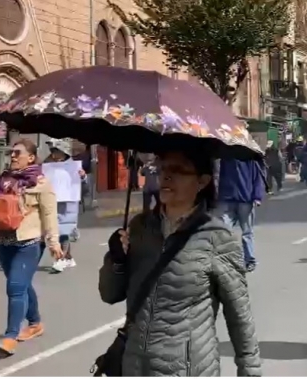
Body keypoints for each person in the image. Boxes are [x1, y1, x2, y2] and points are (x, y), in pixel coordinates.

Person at [98, 150, 261, 376]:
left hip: (187, 368)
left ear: (202, 181)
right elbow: (109, 294)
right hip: (135, 365)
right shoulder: (140, 227)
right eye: (163, 168)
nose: (165, 176)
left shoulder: (218, 236)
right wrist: (115, 259)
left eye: (178, 171)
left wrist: (249, 369)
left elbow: (239, 314)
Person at [0, 138, 62, 355]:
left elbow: (49, 215)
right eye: (12, 153)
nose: (13, 157)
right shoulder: (0, 181)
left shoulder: (40, 183)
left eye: (18, 153)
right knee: (22, 285)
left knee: (15, 287)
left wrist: (53, 242)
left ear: (31, 157)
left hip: (28, 243)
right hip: (3, 242)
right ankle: (35, 322)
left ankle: (10, 337)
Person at [44, 138, 86, 273]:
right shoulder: (47, 164)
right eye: (52, 151)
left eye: (56, 151)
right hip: (52, 201)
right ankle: (68, 258)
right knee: (58, 229)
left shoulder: (73, 166)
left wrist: (83, 177)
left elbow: (85, 187)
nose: (54, 154)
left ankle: (60, 259)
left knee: (64, 229)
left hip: (68, 202)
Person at [216, 158, 264, 273]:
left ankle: (249, 260)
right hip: (226, 198)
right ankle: (226, 260)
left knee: (247, 232)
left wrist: (257, 196)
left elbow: (258, 177)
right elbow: (217, 175)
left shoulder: (250, 158)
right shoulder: (225, 158)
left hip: (245, 199)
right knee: (225, 231)